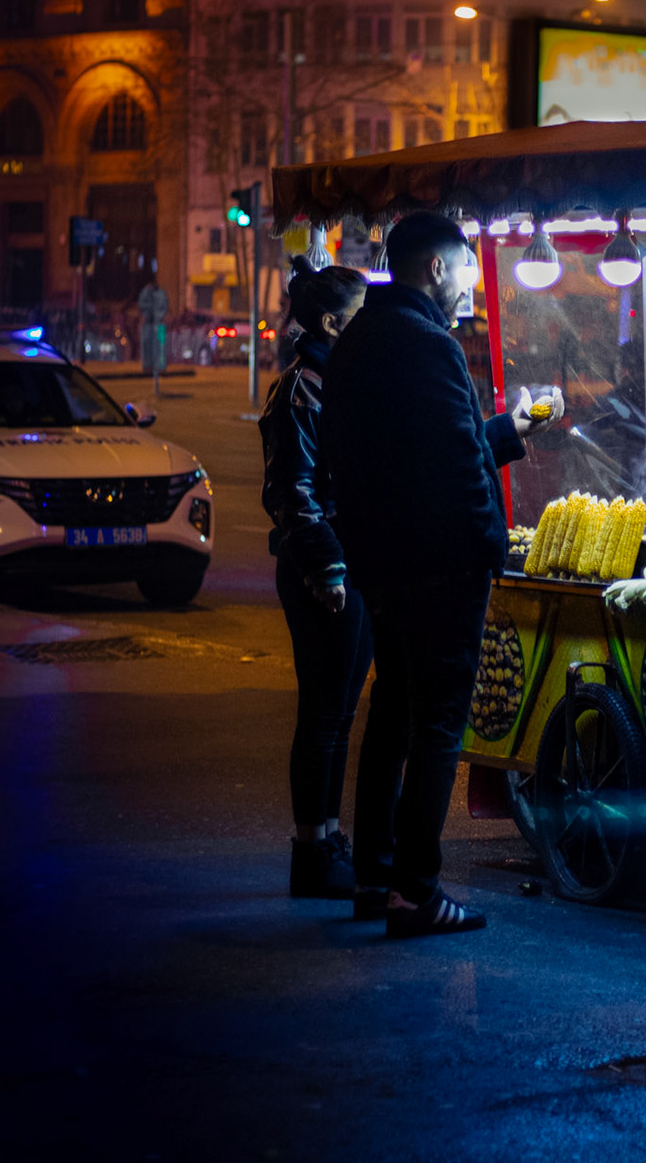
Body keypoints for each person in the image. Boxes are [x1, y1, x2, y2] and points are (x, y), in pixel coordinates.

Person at [321, 212, 561, 937]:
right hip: (441, 567)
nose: (470, 285)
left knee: (392, 713)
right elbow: (453, 470)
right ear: (434, 268)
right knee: (436, 726)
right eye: (465, 269)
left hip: (383, 564)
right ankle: (415, 892)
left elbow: (420, 455)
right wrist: (492, 545)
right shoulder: (428, 343)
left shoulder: (361, 338)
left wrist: (506, 434)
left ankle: (374, 876)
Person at [260, 257, 370, 898]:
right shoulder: (301, 388)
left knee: (339, 711)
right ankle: (313, 850)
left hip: (349, 564)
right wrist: (326, 566)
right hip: (322, 569)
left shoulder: (337, 381)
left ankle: (328, 840)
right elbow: (293, 492)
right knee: (325, 715)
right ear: (330, 322)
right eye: (359, 316)